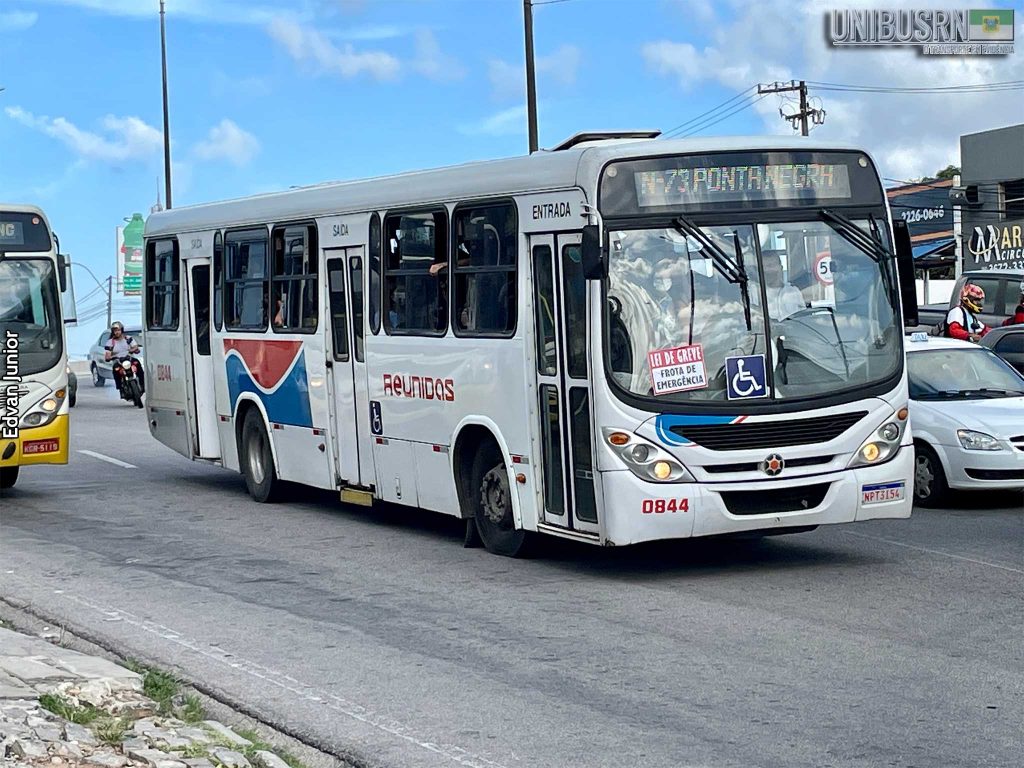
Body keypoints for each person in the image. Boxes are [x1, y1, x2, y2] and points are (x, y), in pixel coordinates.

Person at [761, 252, 805, 320]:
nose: (767, 270)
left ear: (781, 268)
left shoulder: (793, 291)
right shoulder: (756, 294)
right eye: (763, 267)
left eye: (770, 266)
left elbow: (803, 316)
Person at [103, 321, 143, 392]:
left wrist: (132, 350)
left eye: (118, 330)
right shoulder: (110, 342)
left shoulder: (128, 338)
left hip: (129, 359)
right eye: (115, 331)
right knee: (115, 369)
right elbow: (107, 354)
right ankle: (120, 387)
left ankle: (142, 384)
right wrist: (109, 357)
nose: (117, 332)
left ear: (122, 330)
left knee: (137, 363)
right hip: (118, 361)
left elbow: (135, 346)